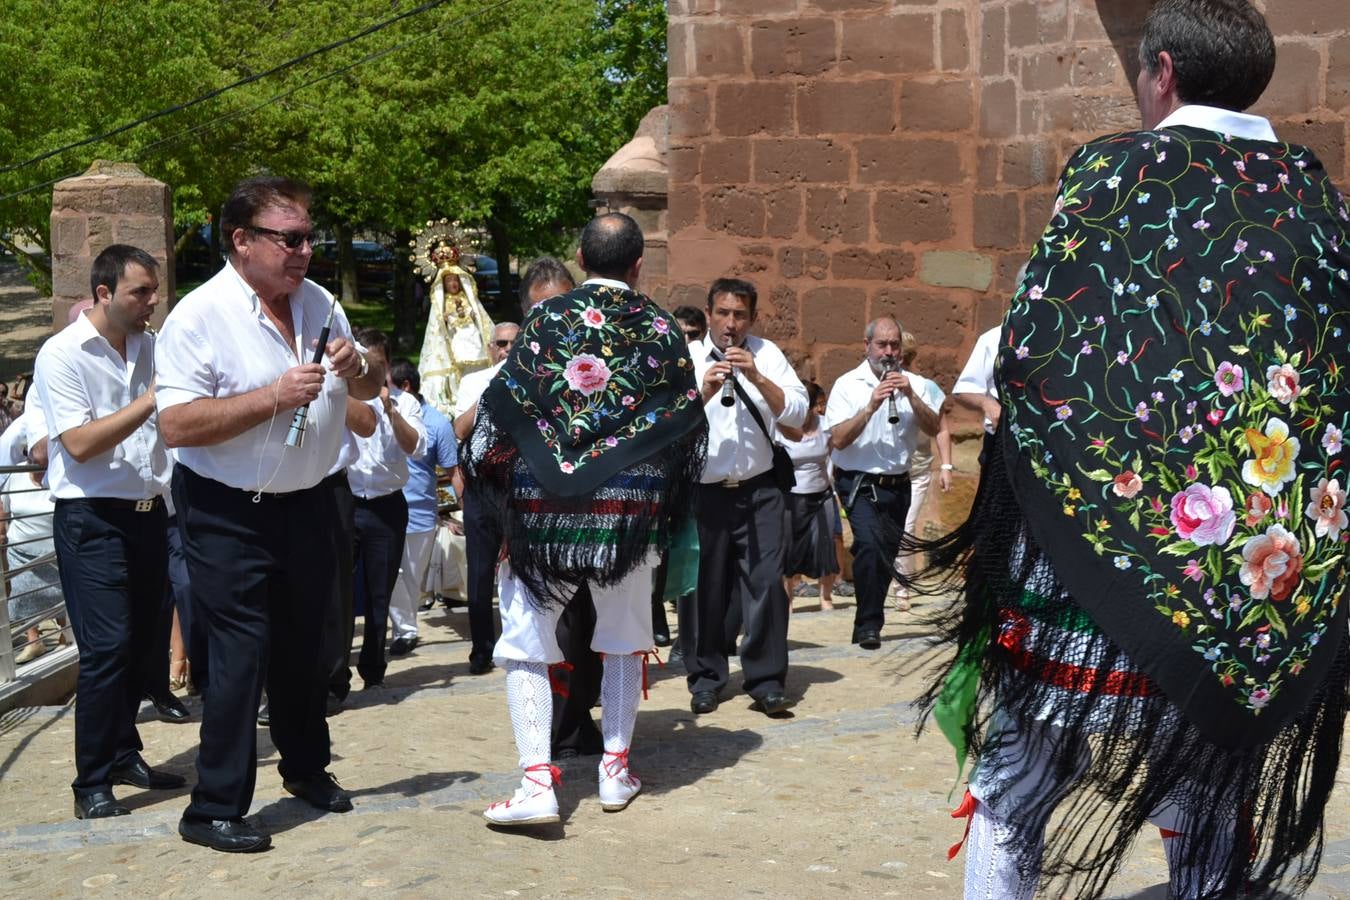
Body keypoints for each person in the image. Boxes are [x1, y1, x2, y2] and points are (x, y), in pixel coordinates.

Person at [922, 3, 1350, 897]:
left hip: (1086, 559)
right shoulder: (1313, 199)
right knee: (1206, 784)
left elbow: (1036, 345)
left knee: (1017, 783)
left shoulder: (1112, 173)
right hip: (1248, 572)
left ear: (1160, 71)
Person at [156, 176, 381, 852]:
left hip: (312, 502)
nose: (304, 250)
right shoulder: (198, 316)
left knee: (310, 646)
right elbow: (177, 425)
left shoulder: (320, 304)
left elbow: (368, 390)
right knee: (240, 654)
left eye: (309, 237)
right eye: (290, 238)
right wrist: (273, 396)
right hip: (228, 511)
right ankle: (214, 807)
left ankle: (306, 769)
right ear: (243, 241)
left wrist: (358, 361)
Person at [463, 213, 706, 826]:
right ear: (639, 264)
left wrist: (507, 497)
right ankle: (615, 770)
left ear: (580, 255)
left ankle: (538, 782)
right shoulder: (659, 326)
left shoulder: (544, 319)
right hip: (624, 517)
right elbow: (682, 428)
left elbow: (502, 414)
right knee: (625, 640)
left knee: (525, 640)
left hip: (544, 513)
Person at [34, 244, 183, 820]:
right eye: (140, 292)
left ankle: (123, 754)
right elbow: (79, 443)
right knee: (105, 651)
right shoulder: (62, 353)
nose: (152, 302)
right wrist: (153, 400)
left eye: (153, 291)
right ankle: (90, 781)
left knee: (143, 646)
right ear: (103, 294)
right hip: (92, 519)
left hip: (150, 514)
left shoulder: (153, 346)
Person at [683, 277, 807, 717]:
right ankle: (706, 678)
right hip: (705, 493)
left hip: (760, 490)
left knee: (768, 582)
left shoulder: (768, 354)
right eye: (723, 313)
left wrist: (755, 374)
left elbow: (798, 411)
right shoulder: (689, 357)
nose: (730, 323)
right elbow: (667, 425)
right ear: (709, 313)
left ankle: (767, 679)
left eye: (739, 315)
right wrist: (704, 392)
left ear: (751, 318)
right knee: (705, 591)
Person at [822, 316, 942, 649]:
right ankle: (869, 624)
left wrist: (911, 396)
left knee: (883, 555)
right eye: (882, 345)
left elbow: (934, 428)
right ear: (867, 346)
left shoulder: (916, 384)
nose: (888, 352)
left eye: (894, 345)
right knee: (871, 545)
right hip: (858, 481)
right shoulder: (848, 384)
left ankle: (867, 618)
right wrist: (872, 404)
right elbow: (839, 439)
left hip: (898, 482)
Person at [346, 328, 425, 689]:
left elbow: (416, 447)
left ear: (387, 366)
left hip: (387, 506)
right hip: (346, 504)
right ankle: (335, 671)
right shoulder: (343, 398)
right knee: (340, 590)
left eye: (375, 365)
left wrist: (390, 411)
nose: (368, 372)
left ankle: (373, 666)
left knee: (381, 590)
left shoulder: (405, 402)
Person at [451, 319, 520, 675]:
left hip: (520, 488)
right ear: (491, 348)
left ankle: (521, 646)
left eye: (513, 343)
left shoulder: (533, 380)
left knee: (524, 572)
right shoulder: (473, 382)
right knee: (479, 572)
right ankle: (481, 648)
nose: (507, 350)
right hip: (482, 487)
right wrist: (490, 395)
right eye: (501, 344)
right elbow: (459, 430)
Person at [387, 358, 460, 656]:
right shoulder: (380, 410)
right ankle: (404, 630)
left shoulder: (438, 423)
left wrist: (456, 512)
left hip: (420, 511)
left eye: (388, 385)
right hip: (385, 507)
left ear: (406, 387)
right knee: (392, 573)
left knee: (410, 576)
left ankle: (404, 627)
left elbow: (452, 470)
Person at [890, 331, 952, 611]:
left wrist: (947, 466)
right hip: (884, 467)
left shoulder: (926, 387)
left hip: (916, 470)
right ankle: (886, 579)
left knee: (905, 527)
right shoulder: (874, 381)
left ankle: (901, 586)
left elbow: (941, 428)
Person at [415, 226, 495, 418]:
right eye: (449, 281)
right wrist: (445, 319)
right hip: (454, 339)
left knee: (476, 367)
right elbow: (438, 324)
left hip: (472, 338)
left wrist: (473, 314)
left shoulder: (468, 298)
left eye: (455, 280)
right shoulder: (441, 302)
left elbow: (477, 313)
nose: (453, 284)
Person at [778, 382, 839, 611]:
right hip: (790, 496)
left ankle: (826, 597)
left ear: (814, 407)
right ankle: (788, 600)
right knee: (787, 547)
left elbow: (832, 457)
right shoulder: (781, 428)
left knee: (824, 544)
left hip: (821, 494)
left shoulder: (826, 426)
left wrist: (831, 485)